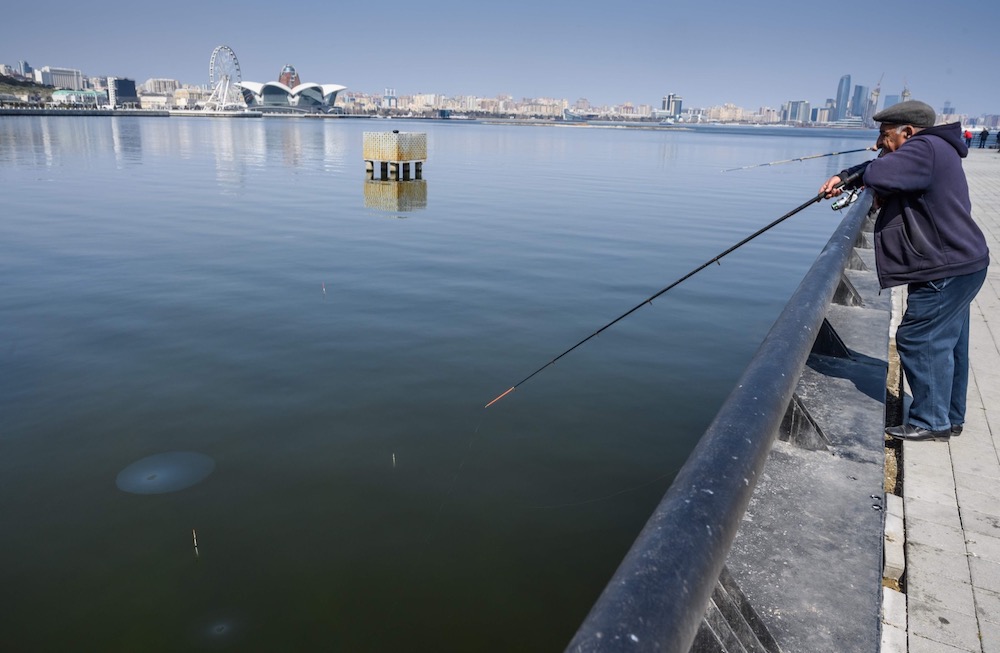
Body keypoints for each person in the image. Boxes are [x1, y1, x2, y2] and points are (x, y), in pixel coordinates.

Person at [820, 100, 990, 442]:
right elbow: (890, 173)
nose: (881, 142)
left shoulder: (925, 148)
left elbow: (881, 172)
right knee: (950, 342)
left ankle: (931, 421)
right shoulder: (937, 149)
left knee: (919, 338)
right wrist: (857, 172)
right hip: (962, 262)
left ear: (907, 132)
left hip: (945, 267)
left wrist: (851, 175)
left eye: (885, 135)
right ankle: (949, 416)